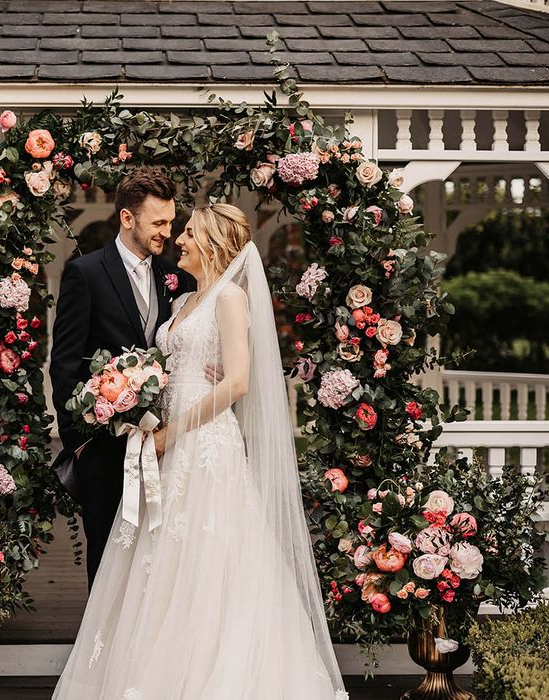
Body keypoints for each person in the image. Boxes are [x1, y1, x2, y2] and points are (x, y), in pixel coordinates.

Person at [53, 203, 348, 699]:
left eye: (188, 232)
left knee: (209, 554)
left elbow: (237, 380)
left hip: (204, 442)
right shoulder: (183, 303)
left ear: (212, 242)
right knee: (161, 559)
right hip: (165, 441)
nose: (178, 240)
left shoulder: (230, 299)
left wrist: (176, 428)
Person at [50, 168, 193, 589]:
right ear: (127, 219)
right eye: (159, 223)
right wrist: (80, 443)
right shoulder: (87, 274)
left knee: (159, 554)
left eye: (171, 222)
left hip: (164, 446)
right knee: (107, 552)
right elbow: (65, 363)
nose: (168, 232)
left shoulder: (178, 279)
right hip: (105, 447)